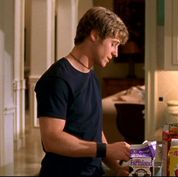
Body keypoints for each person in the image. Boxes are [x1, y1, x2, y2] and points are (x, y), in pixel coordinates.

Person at [35, 6, 130, 177]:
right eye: (113, 44)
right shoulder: (57, 79)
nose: (116, 53)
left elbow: (94, 131)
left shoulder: (92, 76)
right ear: (94, 35)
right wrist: (106, 149)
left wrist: (116, 167)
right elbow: (52, 140)